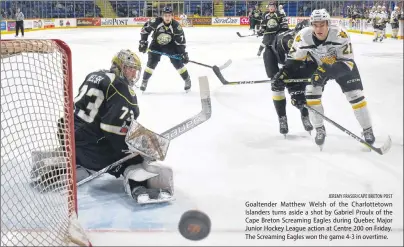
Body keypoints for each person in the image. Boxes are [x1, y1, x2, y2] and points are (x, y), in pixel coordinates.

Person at [32, 50, 174, 204]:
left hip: (67, 136)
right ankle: (139, 188)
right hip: (87, 146)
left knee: (99, 139)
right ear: (119, 66)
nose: (133, 74)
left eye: (135, 70)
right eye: (129, 68)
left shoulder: (95, 74)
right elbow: (112, 129)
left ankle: (65, 167)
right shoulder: (122, 88)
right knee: (133, 157)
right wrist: (132, 150)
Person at [273, 9, 376, 149]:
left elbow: (348, 63)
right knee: (310, 92)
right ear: (311, 25)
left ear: (328, 24)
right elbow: (294, 60)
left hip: (342, 65)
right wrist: (283, 74)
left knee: (356, 96)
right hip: (319, 67)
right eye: (315, 25)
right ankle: (319, 128)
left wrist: (325, 70)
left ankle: (367, 130)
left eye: (322, 25)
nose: (318, 28)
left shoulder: (340, 34)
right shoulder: (303, 36)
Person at [269, 20, 313, 135]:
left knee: (301, 91)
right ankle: (282, 118)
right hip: (273, 57)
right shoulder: (287, 42)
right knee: (277, 86)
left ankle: (304, 115)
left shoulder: (315, 40)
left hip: (293, 61)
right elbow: (287, 67)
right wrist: (283, 80)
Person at [138, 6, 191, 92]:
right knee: (151, 63)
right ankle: (144, 81)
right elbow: (145, 29)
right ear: (162, 16)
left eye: (169, 15)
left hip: (170, 45)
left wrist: (183, 53)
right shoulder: (156, 22)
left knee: (177, 62)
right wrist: (143, 42)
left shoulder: (176, 26)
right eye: (165, 15)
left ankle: (187, 80)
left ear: (172, 16)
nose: (167, 17)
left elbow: (180, 42)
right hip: (156, 44)